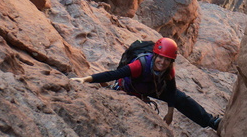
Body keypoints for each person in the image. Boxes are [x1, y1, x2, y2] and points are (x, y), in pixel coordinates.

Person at [71, 37, 221, 131]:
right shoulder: (139, 65)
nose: (162, 62)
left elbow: (171, 91)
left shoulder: (168, 70)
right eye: (160, 58)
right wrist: (86, 79)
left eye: (167, 60)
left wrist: (170, 113)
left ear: (171, 61)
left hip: (151, 87)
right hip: (130, 87)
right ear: (155, 55)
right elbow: (114, 74)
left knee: (182, 99)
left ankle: (211, 122)